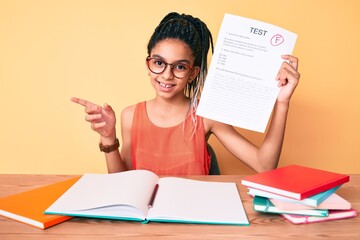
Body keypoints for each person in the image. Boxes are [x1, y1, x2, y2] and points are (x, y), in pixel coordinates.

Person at [71, 12, 300, 175]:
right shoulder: (130, 115)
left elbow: (264, 165)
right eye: (159, 63)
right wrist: (109, 139)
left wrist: (282, 103)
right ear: (148, 62)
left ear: (192, 73)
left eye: (180, 66)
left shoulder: (206, 114)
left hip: (194, 223)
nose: (167, 75)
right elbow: (122, 185)